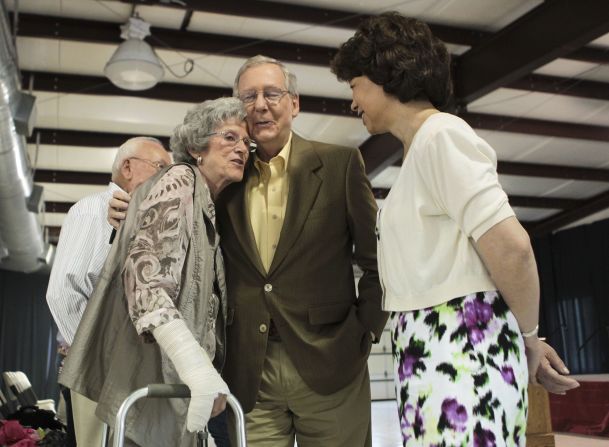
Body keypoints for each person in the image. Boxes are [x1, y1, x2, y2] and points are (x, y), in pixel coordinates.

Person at [110, 55, 389, 446]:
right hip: (249, 371)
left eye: (272, 93)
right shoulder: (226, 175)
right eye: (249, 96)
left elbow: (377, 261)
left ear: (294, 103)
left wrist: (365, 333)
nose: (260, 104)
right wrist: (123, 205)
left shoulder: (341, 164)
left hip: (333, 363)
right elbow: (171, 217)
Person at [330, 12, 579, 446]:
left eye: (354, 86)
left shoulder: (441, 136)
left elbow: (512, 247)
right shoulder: (421, 150)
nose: (352, 102)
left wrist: (529, 338)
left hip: (461, 340)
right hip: (432, 341)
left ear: (384, 73)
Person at [59, 97, 250, 447]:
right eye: (229, 137)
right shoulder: (180, 179)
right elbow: (144, 280)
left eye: (245, 142)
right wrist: (197, 368)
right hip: (152, 383)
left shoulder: (205, 203)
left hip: (170, 387)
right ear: (196, 147)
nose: (242, 148)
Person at [46, 136, 171, 447]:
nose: (169, 177)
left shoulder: (150, 219)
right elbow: (62, 291)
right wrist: (93, 355)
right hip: (98, 374)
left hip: (134, 372)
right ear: (127, 167)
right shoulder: (92, 209)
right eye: (160, 167)